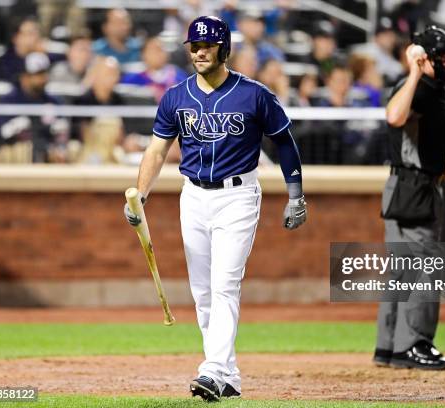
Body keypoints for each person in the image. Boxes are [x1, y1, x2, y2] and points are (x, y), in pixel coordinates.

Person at [123, 16, 307, 401]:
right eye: (194, 45)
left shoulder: (254, 94)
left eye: (207, 45)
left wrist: (295, 195)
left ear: (224, 49)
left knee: (225, 284)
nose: (199, 51)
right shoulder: (176, 96)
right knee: (202, 292)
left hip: (237, 195)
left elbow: (284, 142)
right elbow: (156, 151)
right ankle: (228, 375)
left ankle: (212, 369)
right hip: (192, 195)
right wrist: (142, 194)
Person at [375, 26, 445, 370]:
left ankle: (389, 347)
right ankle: (414, 344)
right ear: (423, 57)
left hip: (414, 182)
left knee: (402, 271)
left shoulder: (433, 88)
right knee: (426, 267)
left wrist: (440, 168)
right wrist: (413, 70)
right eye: (441, 57)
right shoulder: (418, 85)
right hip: (413, 189)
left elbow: (416, 142)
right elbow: (395, 117)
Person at [0, 52, 67, 163]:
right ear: (24, 77)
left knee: (67, 149)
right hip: (16, 149)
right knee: (23, 150)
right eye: (37, 74)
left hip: (46, 149)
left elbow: (62, 129)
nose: (43, 78)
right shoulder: (10, 100)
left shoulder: (52, 101)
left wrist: (57, 131)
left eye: (44, 73)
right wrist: (15, 127)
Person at [120, 36, 188, 102]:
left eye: (161, 50)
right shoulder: (132, 79)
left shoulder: (179, 76)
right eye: (153, 50)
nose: (157, 54)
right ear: (143, 55)